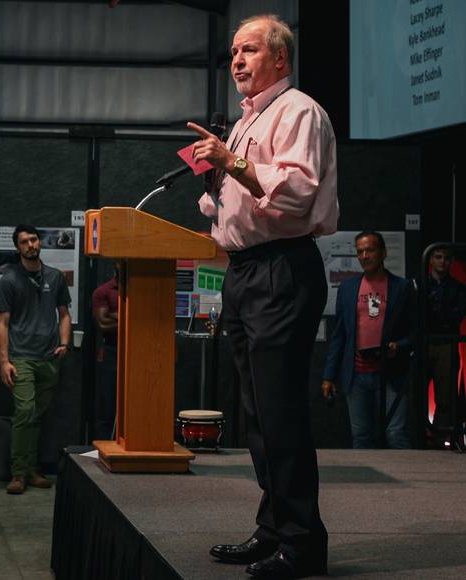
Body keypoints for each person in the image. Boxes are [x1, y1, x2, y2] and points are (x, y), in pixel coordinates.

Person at [188, 14, 338, 578]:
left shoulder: (298, 110)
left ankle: (302, 544)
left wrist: (233, 163)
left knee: (280, 412)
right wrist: (215, 179)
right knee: (256, 413)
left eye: (248, 50)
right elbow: (234, 205)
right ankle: (274, 527)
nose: (236, 61)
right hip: (246, 270)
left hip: (281, 268)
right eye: (232, 53)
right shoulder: (247, 122)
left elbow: (296, 193)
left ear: (280, 58)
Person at [0, 224, 71, 495]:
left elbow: (64, 314)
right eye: (25, 242)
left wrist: (64, 343)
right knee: (25, 412)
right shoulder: (9, 280)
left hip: (49, 356)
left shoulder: (54, 276)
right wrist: (4, 361)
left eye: (34, 240)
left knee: (36, 415)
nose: (31, 245)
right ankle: (18, 473)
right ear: (18, 247)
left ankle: (30, 469)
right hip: (22, 356)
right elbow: (2, 323)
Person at [321, 232, 416, 449]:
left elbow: (415, 332)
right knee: (361, 437)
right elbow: (339, 335)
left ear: (383, 252)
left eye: (370, 250)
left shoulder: (401, 288)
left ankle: (411, 480)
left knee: (396, 434)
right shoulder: (348, 288)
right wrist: (329, 376)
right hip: (356, 375)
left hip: (391, 372)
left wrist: (398, 346)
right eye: (360, 252)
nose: (365, 256)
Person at [423, 245, 466, 443]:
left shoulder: (458, 288)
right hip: (424, 341)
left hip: (445, 342)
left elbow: (456, 316)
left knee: (445, 394)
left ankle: (439, 438)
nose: (442, 261)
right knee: (418, 391)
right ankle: (421, 435)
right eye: (438, 257)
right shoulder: (420, 284)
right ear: (431, 259)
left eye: (446, 258)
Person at [91, 265, 119, 440]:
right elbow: (103, 324)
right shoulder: (103, 291)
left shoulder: (141, 291)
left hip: (140, 353)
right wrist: (132, 319)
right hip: (112, 352)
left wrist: (117, 315)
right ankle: (102, 448)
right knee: (107, 405)